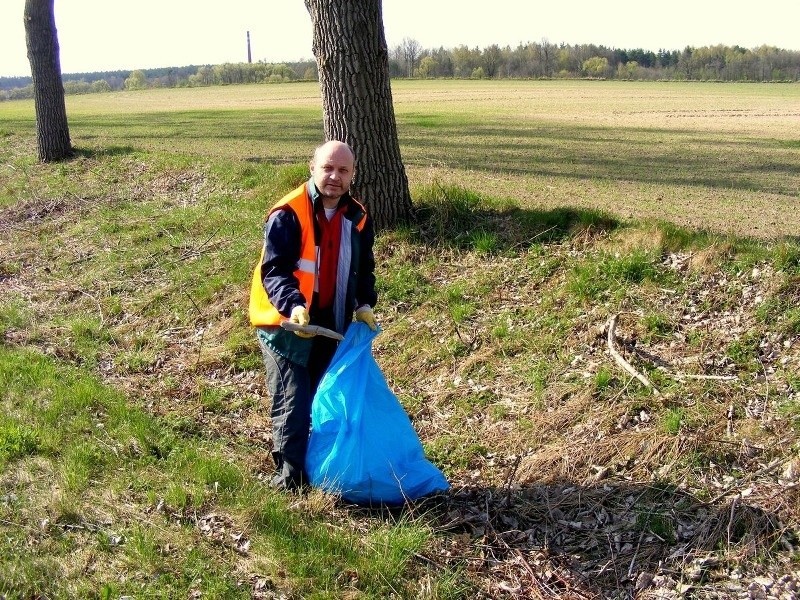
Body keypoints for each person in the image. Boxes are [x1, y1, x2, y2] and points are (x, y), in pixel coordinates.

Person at [249, 140, 378, 491]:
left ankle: (320, 471)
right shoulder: (287, 213)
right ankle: (289, 481)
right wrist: (293, 305)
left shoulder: (358, 218)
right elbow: (274, 270)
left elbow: (362, 269)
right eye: (328, 168)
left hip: (330, 323)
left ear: (353, 175)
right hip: (285, 322)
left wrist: (364, 304)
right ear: (312, 168)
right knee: (294, 399)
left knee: (322, 396)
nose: (335, 176)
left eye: (343, 170)